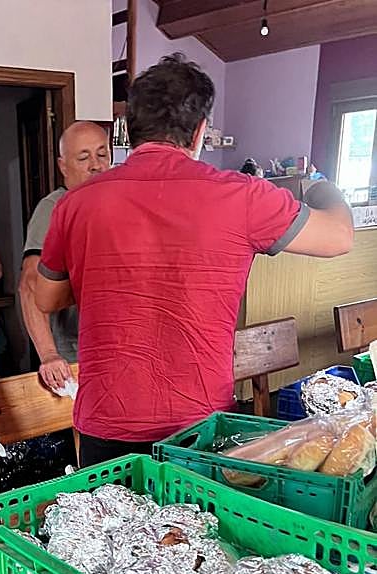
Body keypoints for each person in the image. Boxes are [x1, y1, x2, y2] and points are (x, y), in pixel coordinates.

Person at [35, 54, 354, 468]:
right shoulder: (242, 195)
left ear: (129, 130)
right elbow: (340, 236)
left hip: (106, 424)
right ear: (201, 130)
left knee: (109, 534)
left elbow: (46, 298)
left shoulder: (75, 203)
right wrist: (320, 185)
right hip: (198, 425)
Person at [19, 121, 111, 391]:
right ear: (63, 167)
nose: (95, 165)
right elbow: (29, 285)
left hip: (118, 349)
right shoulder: (53, 210)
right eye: (83, 157)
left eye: (102, 154)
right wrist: (48, 355)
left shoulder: (118, 203)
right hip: (75, 354)